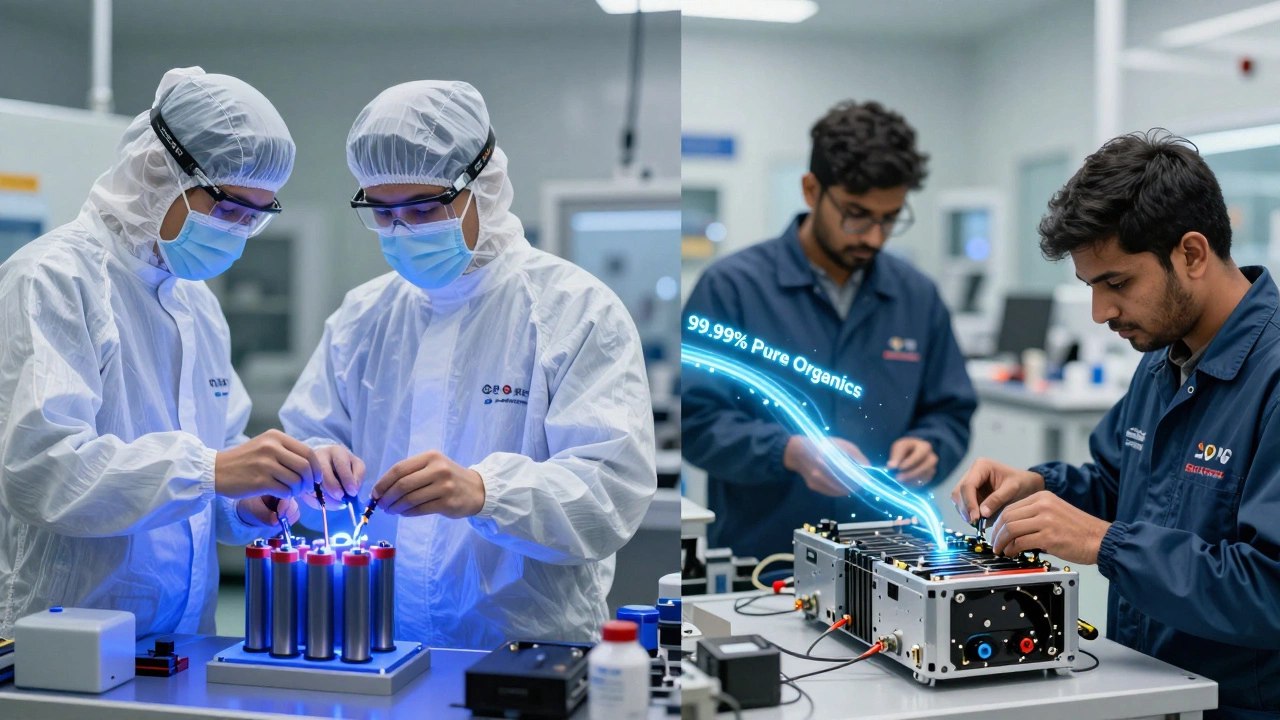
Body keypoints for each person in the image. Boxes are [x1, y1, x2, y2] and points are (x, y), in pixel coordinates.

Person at [279, 80, 656, 649]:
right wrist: (314, 469)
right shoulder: (363, 315)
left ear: (485, 186)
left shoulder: (575, 310)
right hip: (374, 643)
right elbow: (309, 439)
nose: (402, 230)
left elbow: (610, 495)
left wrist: (485, 492)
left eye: (423, 208)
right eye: (382, 212)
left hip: (526, 649)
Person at [952, 130, 1280, 719]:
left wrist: (1104, 544)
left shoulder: (1272, 379)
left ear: (1192, 254)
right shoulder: (1163, 358)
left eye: (1118, 283)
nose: (1101, 312)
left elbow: (1269, 590)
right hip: (1143, 687)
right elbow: (1120, 483)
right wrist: (1039, 487)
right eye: (1091, 287)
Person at [0, 67, 316, 638]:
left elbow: (216, 453)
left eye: (255, 216)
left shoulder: (196, 302)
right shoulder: (53, 279)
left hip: (183, 637)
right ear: (156, 171)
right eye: (229, 208)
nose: (239, 231)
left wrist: (246, 501)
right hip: (64, 636)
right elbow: (44, 472)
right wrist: (213, 470)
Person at [682, 100, 976, 561]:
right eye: (856, 214)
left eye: (889, 218)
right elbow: (695, 421)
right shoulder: (732, 288)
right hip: (764, 560)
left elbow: (951, 410)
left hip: (891, 559)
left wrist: (931, 446)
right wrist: (787, 451)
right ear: (810, 189)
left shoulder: (917, 297)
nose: (874, 237)